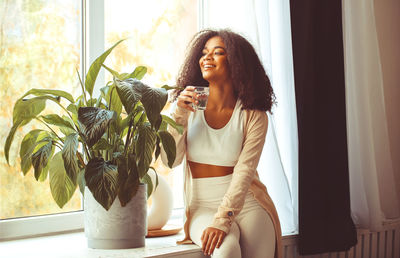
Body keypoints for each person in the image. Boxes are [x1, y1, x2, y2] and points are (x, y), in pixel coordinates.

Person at [161, 29, 282, 258]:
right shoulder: (188, 106)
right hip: (202, 206)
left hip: (248, 202)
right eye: (204, 53)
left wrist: (223, 218)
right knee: (226, 251)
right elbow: (170, 161)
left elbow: (245, 171)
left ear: (237, 63)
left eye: (218, 53)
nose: (207, 57)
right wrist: (178, 116)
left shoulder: (253, 115)